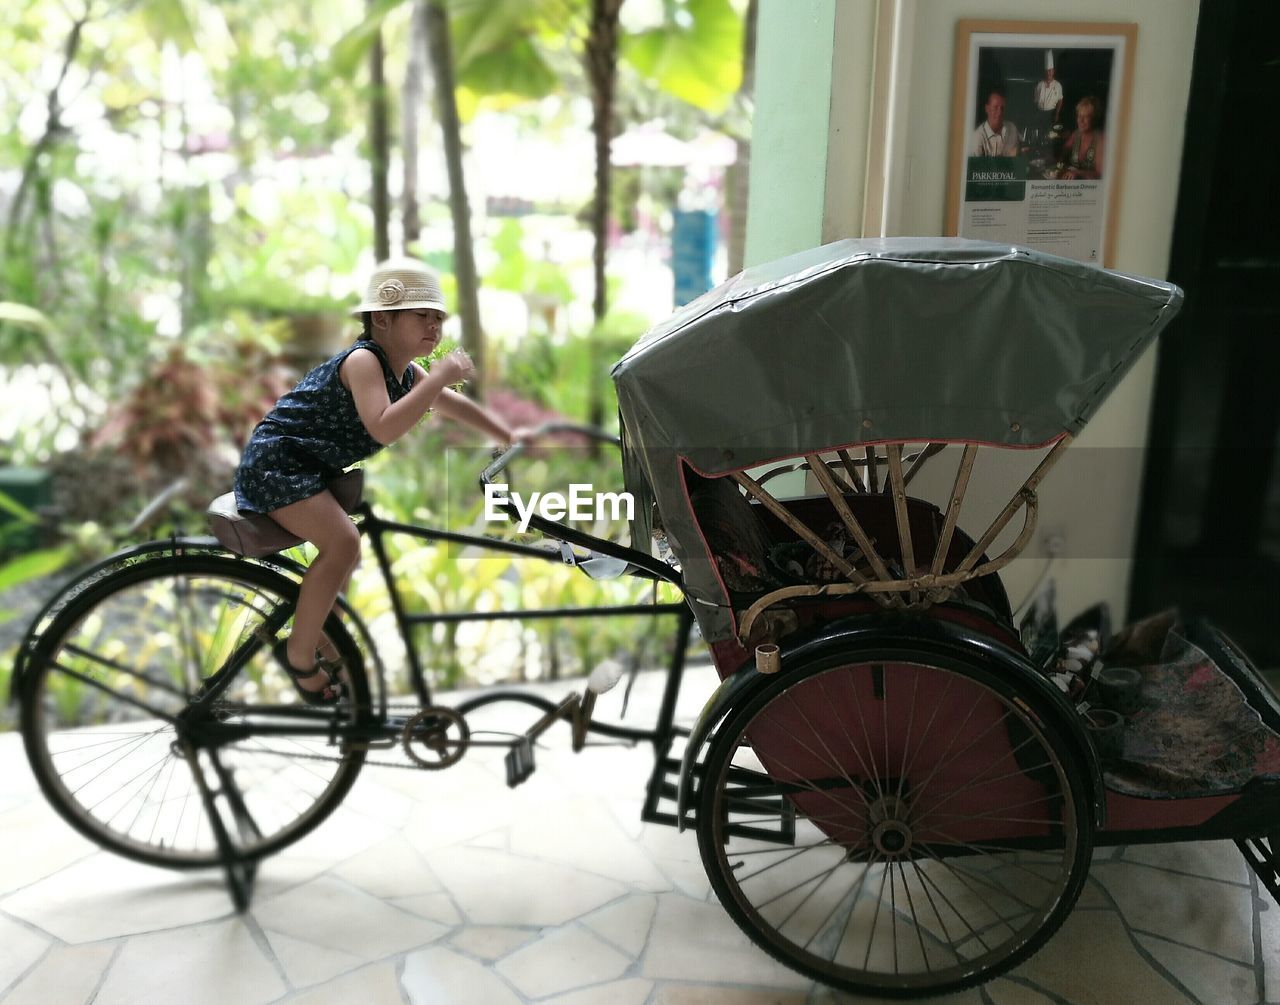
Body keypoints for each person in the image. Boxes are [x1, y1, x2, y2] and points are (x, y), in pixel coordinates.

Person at [234, 258, 530, 703]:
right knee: (344, 544)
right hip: (281, 464)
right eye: (421, 315)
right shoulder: (364, 362)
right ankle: (298, 654)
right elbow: (384, 427)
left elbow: (448, 405)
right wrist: (442, 378)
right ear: (382, 319)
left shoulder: (405, 373)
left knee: (345, 560)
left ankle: (325, 644)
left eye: (438, 318)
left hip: (311, 469)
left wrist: (505, 434)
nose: (433, 325)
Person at [1060, 95, 1105, 180]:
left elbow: (1100, 174)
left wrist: (1078, 173)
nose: (1080, 120)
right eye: (1079, 116)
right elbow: (1061, 156)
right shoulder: (1076, 134)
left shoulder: (1101, 139)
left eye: (1086, 116)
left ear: (1095, 118)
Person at [969, 87, 1020, 158]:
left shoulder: (1012, 128)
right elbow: (977, 168)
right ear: (987, 109)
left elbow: (1018, 158)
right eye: (995, 108)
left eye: (1002, 108)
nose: (999, 112)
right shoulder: (977, 137)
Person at [1032, 55, 1064, 137]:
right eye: (1047, 71)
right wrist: (1036, 112)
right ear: (1045, 72)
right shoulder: (1039, 84)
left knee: (1050, 133)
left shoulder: (1058, 85)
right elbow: (1035, 101)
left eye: (1051, 70)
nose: (1049, 72)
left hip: (1051, 113)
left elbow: (1060, 100)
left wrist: (1057, 113)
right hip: (1040, 112)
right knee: (1037, 132)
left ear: (1053, 72)